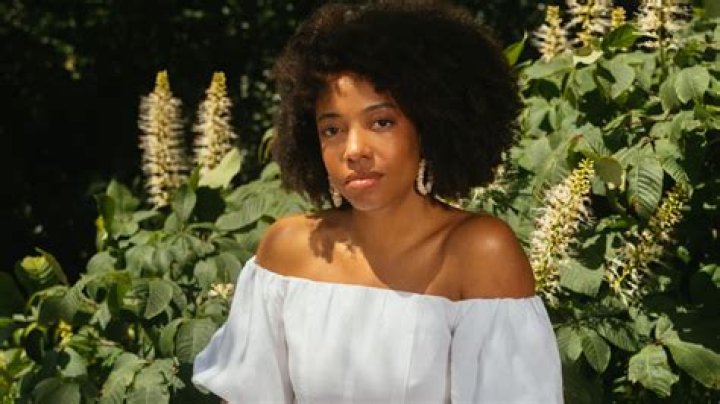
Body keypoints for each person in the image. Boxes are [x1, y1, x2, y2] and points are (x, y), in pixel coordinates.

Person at [192, 1, 563, 403]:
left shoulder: (479, 252)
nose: (354, 150)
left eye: (381, 122)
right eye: (332, 129)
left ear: (429, 127)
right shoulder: (288, 251)